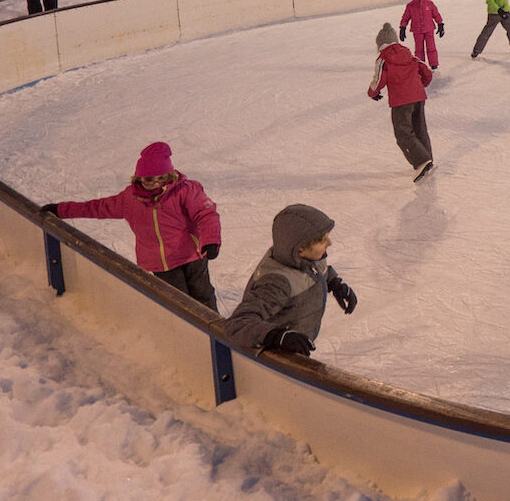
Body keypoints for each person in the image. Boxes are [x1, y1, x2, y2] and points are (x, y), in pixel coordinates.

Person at [41, 141, 221, 310]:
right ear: (139, 178)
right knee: (180, 303)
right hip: (161, 263)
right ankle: (192, 338)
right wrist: (61, 210)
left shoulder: (185, 191)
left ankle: (220, 339)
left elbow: (206, 213)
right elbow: (97, 207)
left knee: (203, 293)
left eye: (161, 178)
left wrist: (211, 240)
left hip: (192, 254)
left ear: (169, 175)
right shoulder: (130, 199)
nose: (155, 184)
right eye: (149, 180)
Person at [225, 204, 355, 356]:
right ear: (300, 248)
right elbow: (237, 325)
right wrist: (278, 337)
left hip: (298, 341)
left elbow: (316, 270)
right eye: (322, 240)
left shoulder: (307, 257)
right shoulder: (277, 283)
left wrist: (334, 283)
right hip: (277, 356)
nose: (330, 243)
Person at [368, 22, 436, 181]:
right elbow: (426, 71)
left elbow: (378, 80)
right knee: (420, 128)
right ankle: (427, 158)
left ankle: (421, 160)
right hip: (419, 97)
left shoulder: (383, 58)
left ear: (380, 44)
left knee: (403, 132)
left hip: (401, 101)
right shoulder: (409, 54)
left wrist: (373, 93)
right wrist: (421, 86)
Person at [399, 0, 444, 70]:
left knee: (431, 47)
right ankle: (420, 64)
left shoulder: (429, 4)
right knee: (419, 49)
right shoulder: (410, 6)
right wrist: (402, 28)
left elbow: (436, 14)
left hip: (429, 29)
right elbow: (405, 18)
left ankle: (433, 64)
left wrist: (440, 24)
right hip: (417, 30)